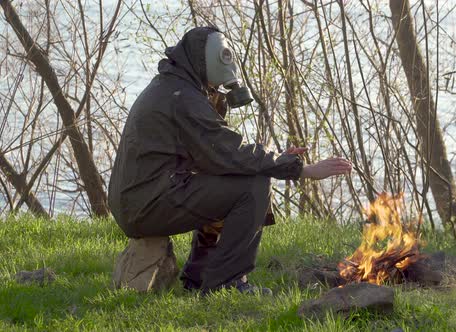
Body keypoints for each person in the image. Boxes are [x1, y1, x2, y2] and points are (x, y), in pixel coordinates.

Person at [108, 27, 352, 295]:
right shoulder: (183, 98)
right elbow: (229, 152)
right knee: (253, 186)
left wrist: (276, 160)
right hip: (146, 204)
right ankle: (226, 282)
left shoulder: (172, 86)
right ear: (207, 61)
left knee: (236, 178)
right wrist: (301, 169)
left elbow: (217, 156)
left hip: (142, 199)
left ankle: (200, 277)